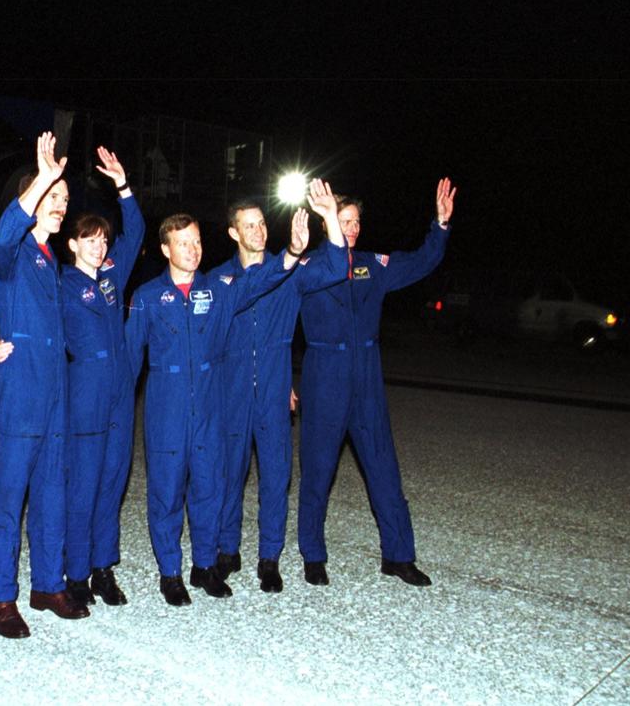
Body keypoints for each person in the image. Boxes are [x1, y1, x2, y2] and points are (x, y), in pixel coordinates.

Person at [124, 183, 343, 606]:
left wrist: (303, 245)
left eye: (196, 241)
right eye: (183, 243)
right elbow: (129, 358)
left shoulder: (226, 287)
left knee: (243, 481)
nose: (191, 249)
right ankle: (188, 567)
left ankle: (241, 562)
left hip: (251, 396)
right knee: (196, 487)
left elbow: (298, 273)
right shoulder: (171, 292)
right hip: (200, 402)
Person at [297, 178, 457, 588]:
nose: (351, 229)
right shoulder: (309, 267)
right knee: (318, 471)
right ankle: (313, 556)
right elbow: (279, 323)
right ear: (327, 222)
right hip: (324, 373)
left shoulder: (373, 265)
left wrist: (439, 225)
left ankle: (399, 556)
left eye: (354, 222)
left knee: (384, 469)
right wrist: (283, 380)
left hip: (366, 374)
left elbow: (421, 262)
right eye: (343, 220)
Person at [211, 183, 347, 593]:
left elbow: (337, 265)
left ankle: (269, 558)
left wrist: (329, 219)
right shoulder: (219, 279)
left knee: (275, 477)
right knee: (228, 475)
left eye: (261, 223)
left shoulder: (293, 272)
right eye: (248, 225)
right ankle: (226, 550)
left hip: (272, 391)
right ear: (233, 232)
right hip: (231, 392)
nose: (258, 231)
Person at [0, 132, 88, 639]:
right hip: (22, 390)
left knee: (51, 493)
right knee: (9, 497)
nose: (61, 205)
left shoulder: (52, 262)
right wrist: (42, 178)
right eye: (53, 197)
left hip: (55, 395)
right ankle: (1, 597)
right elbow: (2, 236)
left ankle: (47, 585)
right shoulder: (12, 253)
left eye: (65, 199)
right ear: (30, 201)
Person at [58, 147, 144, 607]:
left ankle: (102, 569)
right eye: (90, 240)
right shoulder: (62, 286)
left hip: (119, 396)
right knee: (84, 485)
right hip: (85, 395)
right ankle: (75, 575)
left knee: (113, 482)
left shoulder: (112, 276)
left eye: (102, 240)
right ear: (73, 245)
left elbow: (139, 233)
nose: (100, 246)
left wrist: (123, 186)